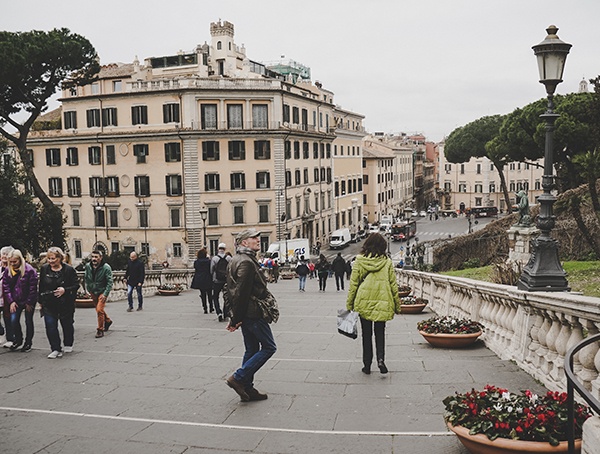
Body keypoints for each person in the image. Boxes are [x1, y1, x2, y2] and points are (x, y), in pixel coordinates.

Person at [224, 228, 276, 402]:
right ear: (244, 242)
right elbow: (240, 293)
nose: (257, 240)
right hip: (253, 313)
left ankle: (247, 387)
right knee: (269, 347)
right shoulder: (246, 262)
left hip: (245, 313)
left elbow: (229, 290)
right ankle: (238, 377)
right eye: (253, 238)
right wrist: (235, 319)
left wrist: (234, 315)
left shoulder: (236, 259)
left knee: (252, 349)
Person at [346, 232, 400, 375]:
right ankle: (381, 360)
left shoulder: (359, 260)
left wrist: (349, 304)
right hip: (383, 301)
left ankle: (367, 365)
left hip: (364, 301)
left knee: (366, 334)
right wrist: (397, 304)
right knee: (380, 333)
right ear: (383, 246)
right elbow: (393, 284)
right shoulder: (387, 261)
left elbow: (354, 284)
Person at [38, 247, 78, 358]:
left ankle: (68, 343)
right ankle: (55, 348)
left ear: (60, 258)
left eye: (53, 258)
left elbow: (76, 285)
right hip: (49, 302)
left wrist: (65, 290)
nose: (51, 261)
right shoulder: (44, 269)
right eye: (49, 259)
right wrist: (40, 301)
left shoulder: (69, 270)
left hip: (65, 303)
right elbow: (41, 285)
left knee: (67, 324)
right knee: (50, 325)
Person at [2, 249, 38, 352]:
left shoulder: (29, 270)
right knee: (13, 320)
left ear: (20, 260)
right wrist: (11, 301)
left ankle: (28, 342)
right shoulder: (7, 271)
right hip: (15, 299)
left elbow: (33, 288)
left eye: (15, 262)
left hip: (28, 299)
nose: (13, 264)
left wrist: (29, 302)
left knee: (28, 321)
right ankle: (18, 339)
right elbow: (6, 287)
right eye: (11, 262)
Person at [84, 250, 114, 338]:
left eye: (96, 257)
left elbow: (110, 282)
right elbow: (86, 278)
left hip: (102, 291)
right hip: (93, 291)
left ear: (100, 258)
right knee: (98, 309)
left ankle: (100, 329)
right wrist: (88, 290)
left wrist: (105, 294)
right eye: (92, 257)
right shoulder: (88, 266)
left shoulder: (106, 267)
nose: (94, 259)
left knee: (99, 309)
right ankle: (107, 321)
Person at [210, 243, 230, 322]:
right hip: (226, 281)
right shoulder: (228, 258)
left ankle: (219, 312)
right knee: (226, 297)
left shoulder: (215, 258)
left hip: (216, 280)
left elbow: (211, 270)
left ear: (218, 249)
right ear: (225, 249)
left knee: (215, 297)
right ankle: (225, 313)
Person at [191, 248, 214, 314]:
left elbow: (196, 268)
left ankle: (205, 308)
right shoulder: (209, 261)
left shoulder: (196, 262)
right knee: (210, 294)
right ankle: (211, 307)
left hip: (200, 279)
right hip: (208, 278)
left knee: (202, 294)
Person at [1, 245, 15, 348]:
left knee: (8, 318)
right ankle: (1, 332)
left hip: (7, 298)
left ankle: (11, 339)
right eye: (3, 254)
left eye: (7, 254)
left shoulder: (13, 269)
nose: (4, 256)